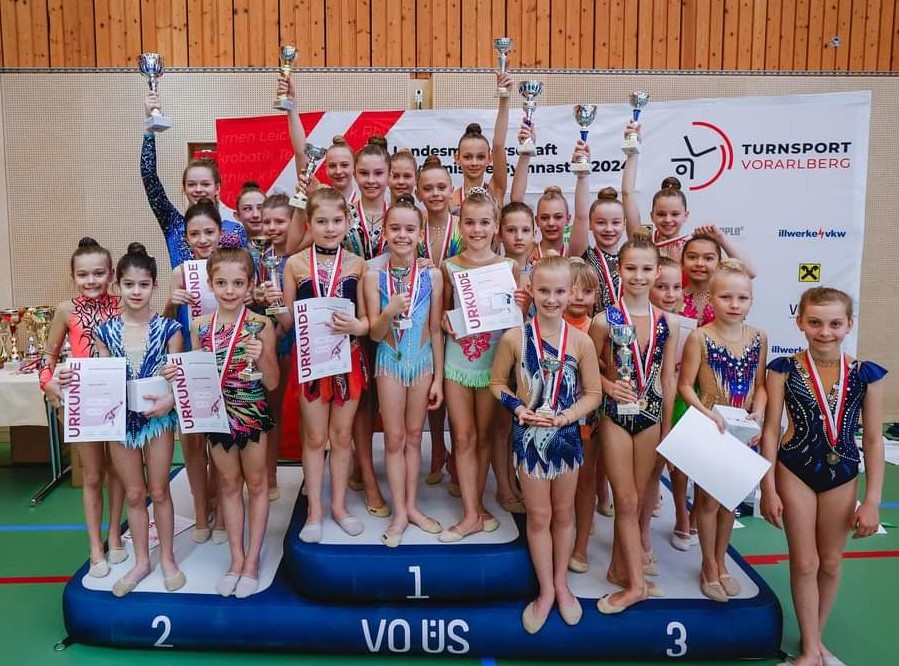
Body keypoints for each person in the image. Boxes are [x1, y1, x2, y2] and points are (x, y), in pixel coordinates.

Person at [760, 287, 885, 666]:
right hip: (794, 468)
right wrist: (767, 487)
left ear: (849, 324)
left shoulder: (865, 375)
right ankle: (811, 649)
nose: (825, 332)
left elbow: (874, 439)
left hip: (842, 473)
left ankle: (814, 640)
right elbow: (770, 429)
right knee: (804, 563)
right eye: (815, 322)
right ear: (800, 322)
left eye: (834, 324)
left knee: (830, 562)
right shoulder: (783, 370)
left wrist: (873, 499)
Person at [491, 255, 602, 633]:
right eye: (543, 291)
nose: (551, 299)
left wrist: (568, 416)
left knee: (565, 513)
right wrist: (518, 408)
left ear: (571, 292)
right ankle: (546, 591)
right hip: (529, 441)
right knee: (539, 516)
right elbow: (497, 384)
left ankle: (562, 584)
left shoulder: (581, 341)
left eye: (559, 291)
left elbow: (594, 394)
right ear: (531, 291)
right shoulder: (515, 338)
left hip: (566, 440)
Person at [169, 243, 279, 598]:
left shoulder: (261, 324)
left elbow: (273, 382)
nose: (229, 291)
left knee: (257, 484)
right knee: (229, 485)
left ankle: (252, 562)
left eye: (237, 283)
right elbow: (197, 375)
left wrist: (261, 358)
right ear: (210, 284)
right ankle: (236, 558)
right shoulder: (200, 326)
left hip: (251, 414)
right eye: (221, 283)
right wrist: (178, 374)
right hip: (218, 417)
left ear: (250, 285)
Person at [590, 233, 677, 613]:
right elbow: (587, 368)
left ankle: (618, 569)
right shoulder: (603, 320)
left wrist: (668, 429)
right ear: (619, 271)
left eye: (646, 269)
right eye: (631, 268)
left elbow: (669, 380)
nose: (639, 276)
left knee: (638, 501)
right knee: (624, 499)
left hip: (651, 416)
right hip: (614, 416)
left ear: (657, 272)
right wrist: (608, 386)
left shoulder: (667, 322)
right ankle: (637, 586)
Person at [278, 188, 371, 542]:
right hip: (311, 362)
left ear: (347, 223)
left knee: (342, 437)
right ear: (308, 224)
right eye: (321, 221)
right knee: (316, 438)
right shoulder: (295, 264)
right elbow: (288, 322)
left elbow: (367, 320)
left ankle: (340, 507)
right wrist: (275, 305)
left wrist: (358, 327)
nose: (329, 228)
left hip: (348, 361)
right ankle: (314, 510)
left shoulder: (357, 264)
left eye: (336, 221)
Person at [94, 243, 185, 596]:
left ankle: (168, 558)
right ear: (117, 286)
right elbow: (101, 381)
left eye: (143, 284)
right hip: (120, 423)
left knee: (159, 490)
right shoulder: (105, 332)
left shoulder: (169, 329)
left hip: (158, 421)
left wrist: (170, 397)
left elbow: (179, 380)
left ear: (154, 286)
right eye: (129, 284)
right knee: (134, 493)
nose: (136, 291)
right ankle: (142, 561)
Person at [678, 259, 767, 602]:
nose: (734, 304)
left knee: (730, 500)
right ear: (711, 299)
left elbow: (760, 384)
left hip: (742, 430)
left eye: (742, 298)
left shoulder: (758, 337)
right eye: (726, 297)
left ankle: (722, 560)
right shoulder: (700, 337)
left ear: (751, 301)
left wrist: (758, 412)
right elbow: (686, 386)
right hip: (712, 428)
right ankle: (708, 565)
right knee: (708, 501)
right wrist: (706, 414)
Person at [39, 238, 126, 579]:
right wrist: (47, 381)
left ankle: (115, 535)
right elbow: (48, 355)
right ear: (73, 276)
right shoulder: (66, 310)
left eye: (99, 273)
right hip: (83, 401)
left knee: (118, 471)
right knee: (92, 475)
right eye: (83, 275)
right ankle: (94, 546)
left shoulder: (122, 304)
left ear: (111, 274)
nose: (91, 281)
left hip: (117, 398)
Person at [363, 194, 445, 546]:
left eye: (410, 229)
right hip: (389, 363)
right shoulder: (372, 278)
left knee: (414, 437)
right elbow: (374, 333)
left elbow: (436, 330)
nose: (402, 235)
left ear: (420, 233)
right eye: (395, 228)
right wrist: (389, 310)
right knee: (394, 439)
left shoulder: (433, 276)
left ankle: (413, 507)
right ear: (384, 231)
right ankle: (398, 512)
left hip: (423, 362)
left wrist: (439, 378)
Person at [439, 188, 520, 541]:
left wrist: (522, 305)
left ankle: (478, 505)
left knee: (485, 436)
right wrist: (444, 321)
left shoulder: (509, 267)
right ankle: (471, 512)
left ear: (496, 226)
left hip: (492, 365)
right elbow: (442, 313)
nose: (477, 230)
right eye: (470, 223)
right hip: (458, 363)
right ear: (460, 227)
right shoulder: (449, 266)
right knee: (463, 436)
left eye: (484, 223)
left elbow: (517, 322)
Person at [165, 200, 224, 542]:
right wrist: (171, 302)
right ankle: (201, 511)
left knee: (221, 443)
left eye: (209, 232)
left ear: (220, 233)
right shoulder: (180, 273)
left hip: (225, 364)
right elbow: (166, 325)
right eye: (195, 234)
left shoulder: (233, 265)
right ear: (186, 238)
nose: (203, 240)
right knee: (192, 443)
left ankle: (220, 505)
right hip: (190, 363)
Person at [140, 91, 246, 268]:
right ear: (184, 188)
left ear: (217, 188)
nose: (198, 189)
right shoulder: (174, 224)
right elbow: (149, 177)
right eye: (191, 184)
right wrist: (149, 127)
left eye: (205, 184)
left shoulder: (235, 230)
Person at [417, 155, 465, 491]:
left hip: (460, 322)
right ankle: (437, 448)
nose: (435, 193)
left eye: (441, 187)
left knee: (457, 392)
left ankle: (459, 458)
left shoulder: (465, 227)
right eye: (428, 188)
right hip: (422, 323)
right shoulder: (411, 228)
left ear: (452, 190)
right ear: (418, 193)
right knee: (432, 392)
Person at [255, 193, 297, 501]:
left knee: (275, 410)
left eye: (280, 221)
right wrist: (256, 295)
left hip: (287, 340)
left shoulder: (296, 258)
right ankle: (258, 474)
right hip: (258, 339)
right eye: (266, 221)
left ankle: (270, 475)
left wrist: (282, 329)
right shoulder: (254, 254)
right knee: (259, 410)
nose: (272, 227)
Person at [563, 258, 603, 572]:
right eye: (571, 290)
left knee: (586, 481)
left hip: (588, 418)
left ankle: (580, 548)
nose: (578, 297)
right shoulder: (547, 324)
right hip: (554, 418)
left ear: (596, 295)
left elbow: (605, 373)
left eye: (586, 291)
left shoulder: (599, 329)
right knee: (560, 483)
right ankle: (559, 540)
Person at [449, 72, 512, 214]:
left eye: (480, 157)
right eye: (467, 157)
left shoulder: (495, 191)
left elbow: (498, 145)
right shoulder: (450, 199)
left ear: (490, 158)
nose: (474, 163)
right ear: (457, 158)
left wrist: (505, 96)